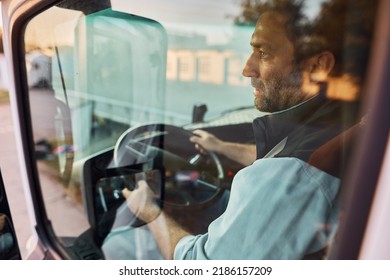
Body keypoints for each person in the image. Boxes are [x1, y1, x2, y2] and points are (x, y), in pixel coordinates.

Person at [103, 2, 375, 259]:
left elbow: (201, 265)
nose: (247, 69)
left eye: (263, 53)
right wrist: (221, 148)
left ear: (317, 67)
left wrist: (149, 211)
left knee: (118, 244)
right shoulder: (343, 124)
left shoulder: (292, 173)